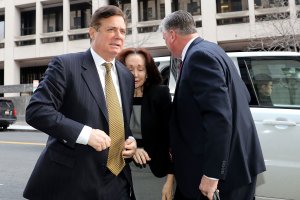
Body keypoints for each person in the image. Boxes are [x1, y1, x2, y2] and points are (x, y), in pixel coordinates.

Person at [23, 5, 137, 200]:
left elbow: (118, 119)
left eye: (122, 31)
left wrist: (131, 140)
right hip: (72, 183)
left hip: (117, 183)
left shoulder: (126, 76)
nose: (119, 36)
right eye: (111, 29)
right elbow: (37, 111)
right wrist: (85, 134)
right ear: (92, 32)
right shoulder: (66, 65)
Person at [159, 10, 266, 200]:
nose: (165, 43)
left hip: (222, 176)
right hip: (237, 164)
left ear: (172, 35)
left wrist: (212, 173)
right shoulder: (213, 50)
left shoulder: (199, 57)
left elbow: (218, 118)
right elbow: (242, 96)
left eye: (164, 38)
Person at [117, 48, 174, 200]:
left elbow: (171, 140)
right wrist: (132, 148)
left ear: (147, 72)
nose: (135, 74)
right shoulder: (115, 98)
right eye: (129, 69)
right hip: (123, 173)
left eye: (140, 69)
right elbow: (111, 134)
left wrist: (170, 181)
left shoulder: (160, 94)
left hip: (156, 174)